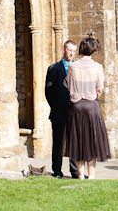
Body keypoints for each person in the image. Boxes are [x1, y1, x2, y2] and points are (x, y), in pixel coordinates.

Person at [63, 34, 111, 179]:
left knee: (77, 140)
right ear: (94, 50)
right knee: (92, 140)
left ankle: (80, 175)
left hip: (76, 106)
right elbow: (100, 88)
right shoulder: (97, 67)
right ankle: (92, 175)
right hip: (91, 106)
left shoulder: (72, 66)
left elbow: (70, 87)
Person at [44, 40, 79, 179]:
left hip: (74, 111)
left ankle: (75, 171)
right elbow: (48, 91)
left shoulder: (77, 69)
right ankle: (57, 170)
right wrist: (57, 106)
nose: (71, 53)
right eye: (69, 50)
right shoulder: (54, 68)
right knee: (58, 142)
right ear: (63, 50)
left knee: (74, 142)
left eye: (74, 51)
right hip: (59, 111)